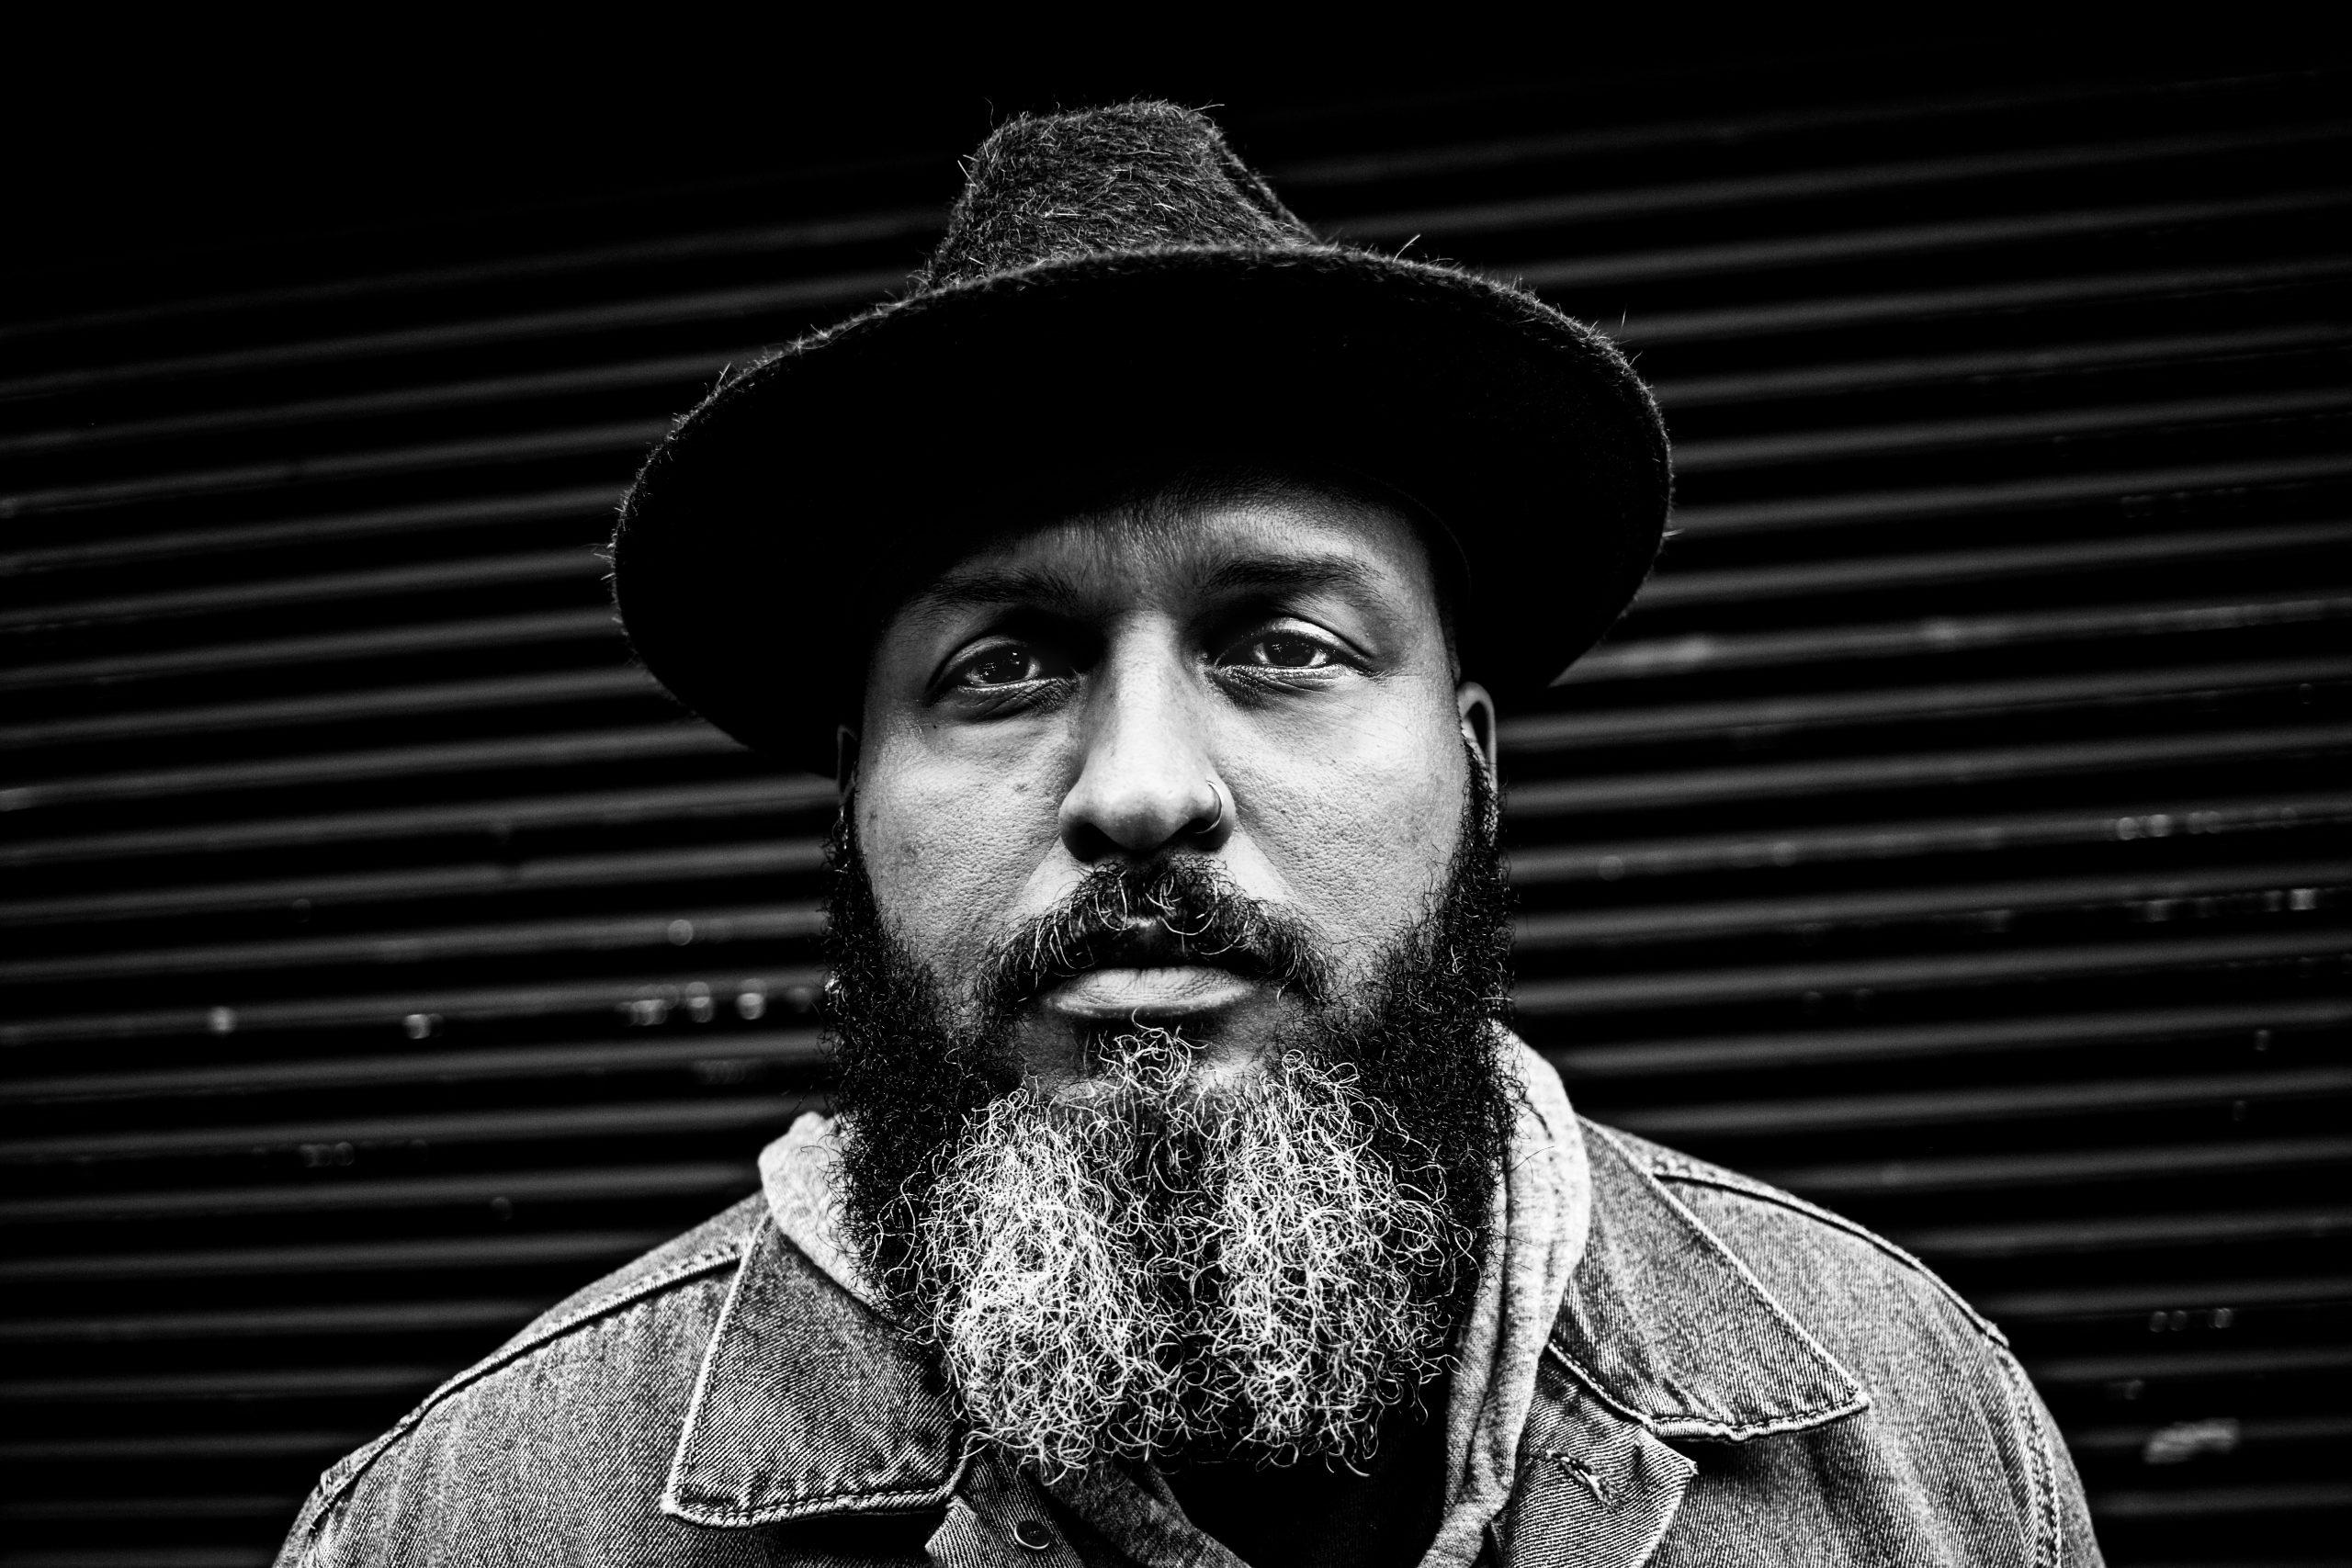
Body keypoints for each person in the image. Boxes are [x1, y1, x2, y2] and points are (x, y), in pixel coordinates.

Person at [277, 102, 2101, 1567]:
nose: (1141, 788)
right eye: (1003, 665)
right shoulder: (463, 1523)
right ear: (850, 808)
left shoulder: (1922, 1439)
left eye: (1280, 644)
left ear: (1475, 767)